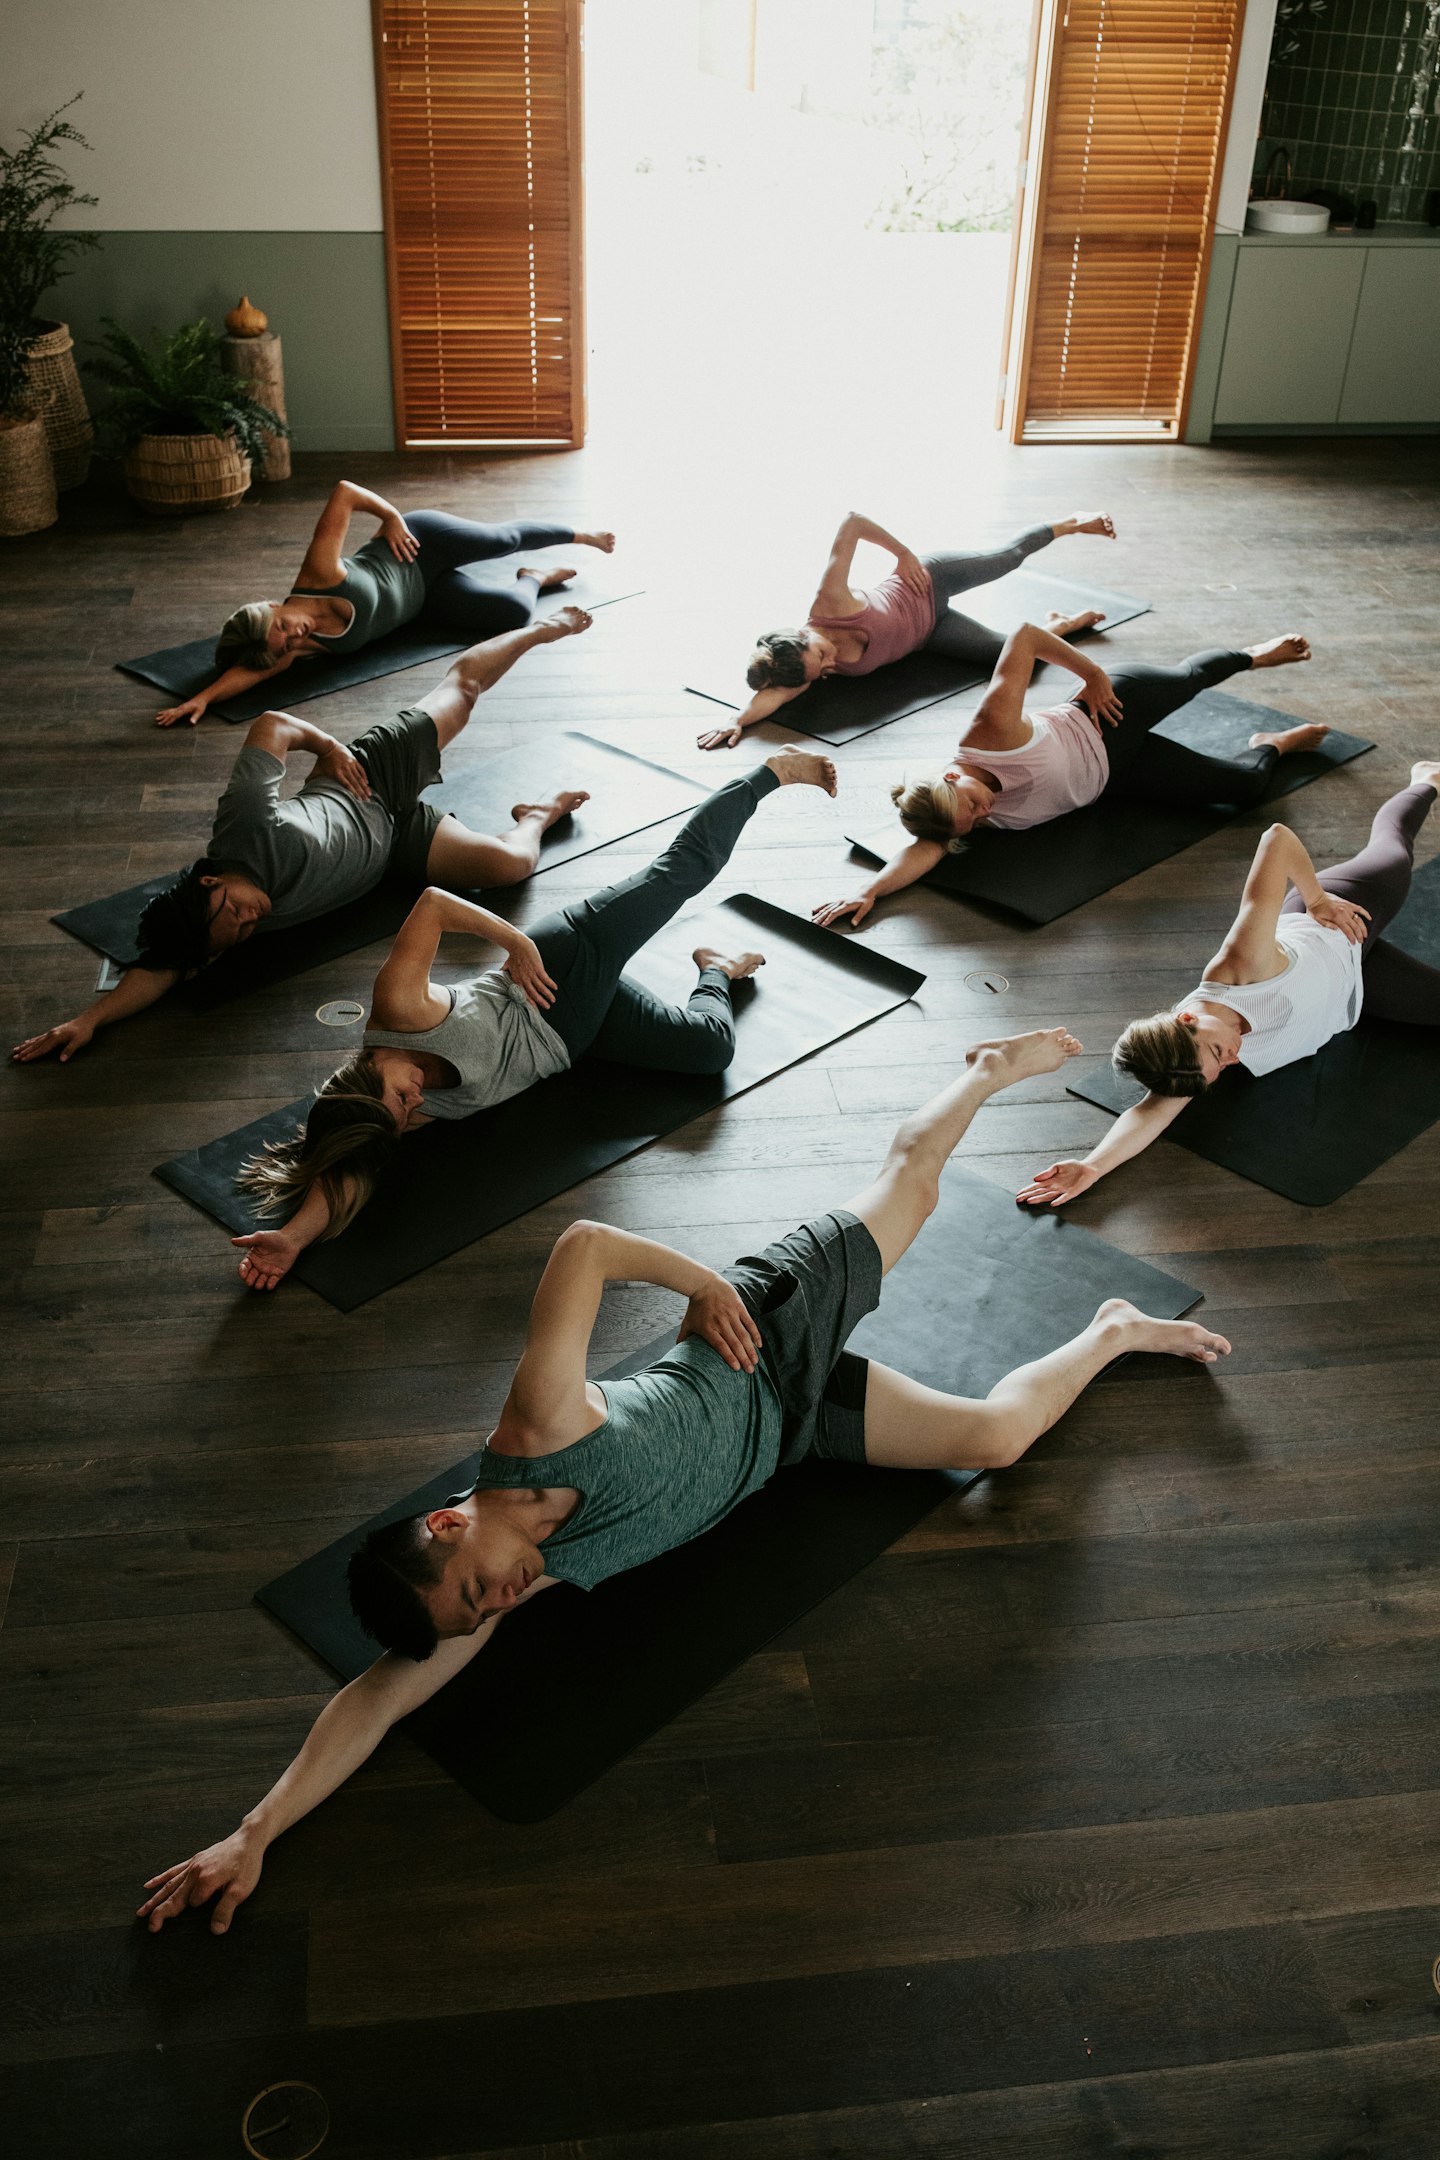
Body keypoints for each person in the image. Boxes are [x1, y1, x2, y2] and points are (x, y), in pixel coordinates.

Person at [135, 1028, 1231, 1934]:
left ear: (448, 1520)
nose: (497, 1603)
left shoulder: (538, 1427)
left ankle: (984, 1071)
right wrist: (255, 1832)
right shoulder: (487, 1583)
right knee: (994, 1443)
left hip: (763, 1328)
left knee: (915, 1188)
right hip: (792, 1432)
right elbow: (373, 1695)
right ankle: (1114, 1332)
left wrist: (704, 1285)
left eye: (476, 1588)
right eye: (475, 1614)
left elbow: (584, 1243)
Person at [227, 748, 840, 1291]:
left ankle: (773, 772)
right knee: (710, 1051)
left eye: (400, 1096)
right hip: (577, 1035)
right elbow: (345, 1174)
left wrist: (515, 944)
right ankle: (718, 967)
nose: (414, 1104)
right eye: (405, 1114)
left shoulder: (399, 1012)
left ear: (367, 1075)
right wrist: (292, 1240)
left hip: (562, 963)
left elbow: (435, 904)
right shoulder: (385, 1117)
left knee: (682, 871)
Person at [10, 610, 595, 1067]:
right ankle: (538, 812)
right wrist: (90, 1020)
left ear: (211, 879)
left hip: (367, 779)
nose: (248, 922)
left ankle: (540, 629)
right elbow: (162, 968)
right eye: (237, 932)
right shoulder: (208, 928)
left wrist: (331, 749)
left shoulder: (243, 826)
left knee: (462, 691)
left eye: (235, 911)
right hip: (395, 849)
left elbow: (273, 724)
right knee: (511, 865)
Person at [1016, 764, 1440, 1210]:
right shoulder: (1185, 1061)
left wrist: (1317, 898)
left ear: (1187, 1019)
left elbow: (1276, 838)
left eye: (1219, 1053)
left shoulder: (1240, 967)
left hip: (1341, 920)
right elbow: (1149, 1112)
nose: (1234, 1058)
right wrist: (1093, 1165)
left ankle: (1425, 781)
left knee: (1394, 849)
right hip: (1353, 978)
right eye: (1220, 1067)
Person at [813, 624, 1327, 929]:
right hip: (1118, 777)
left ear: (951, 776)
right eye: (971, 824)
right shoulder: (951, 823)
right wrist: (872, 892)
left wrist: (1095, 676)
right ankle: (1273, 744)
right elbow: (922, 851)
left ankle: (1255, 655)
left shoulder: (990, 731)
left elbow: (1026, 636)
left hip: (1106, 714)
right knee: (1246, 789)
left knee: (1191, 678)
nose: (983, 814)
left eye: (970, 805)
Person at [153, 479, 616, 727]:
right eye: (285, 646)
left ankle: (582, 534)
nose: (297, 636)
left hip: (420, 544)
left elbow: (345, 491)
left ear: (272, 605)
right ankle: (534, 577)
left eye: (287, 628)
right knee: (513, 615)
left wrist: (392, 518)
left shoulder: (318, 575)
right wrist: (201, 699)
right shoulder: (291, 649)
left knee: (502, 539)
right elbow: (250, 675)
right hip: (426, 600)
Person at [695, 507, 1118, 751]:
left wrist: (902, 555)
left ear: (804, 632)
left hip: (930, 580)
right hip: (932, 632)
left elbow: (852, 522)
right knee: (1009, 656)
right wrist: (738, 721)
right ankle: (1059, 625)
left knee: (1009, 556)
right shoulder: (799, 671)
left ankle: (1072, 522)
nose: (830, 665)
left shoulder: (829, 602)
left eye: (822, 655)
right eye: (821, 672)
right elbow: (774, 695)